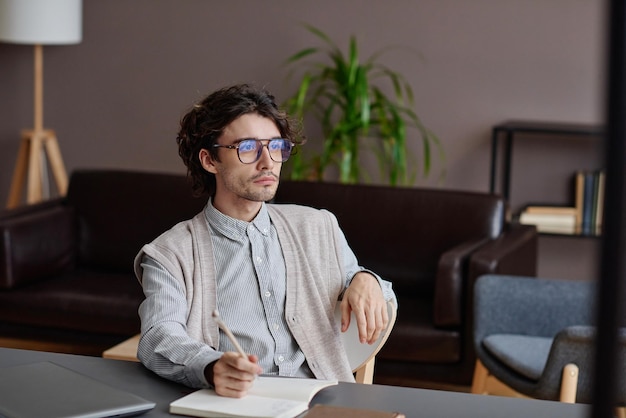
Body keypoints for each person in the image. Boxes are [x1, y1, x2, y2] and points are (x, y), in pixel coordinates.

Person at [134, 83, 396, 398]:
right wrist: (211, 366)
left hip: (320, 400)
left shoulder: (317, 226)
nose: (267, 162)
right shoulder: (169, 254)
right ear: (209, 160)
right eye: (247, 148)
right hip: (233, 404)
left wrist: (366, 278)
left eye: (276, 146)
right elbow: (158, 337)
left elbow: (355, 279)